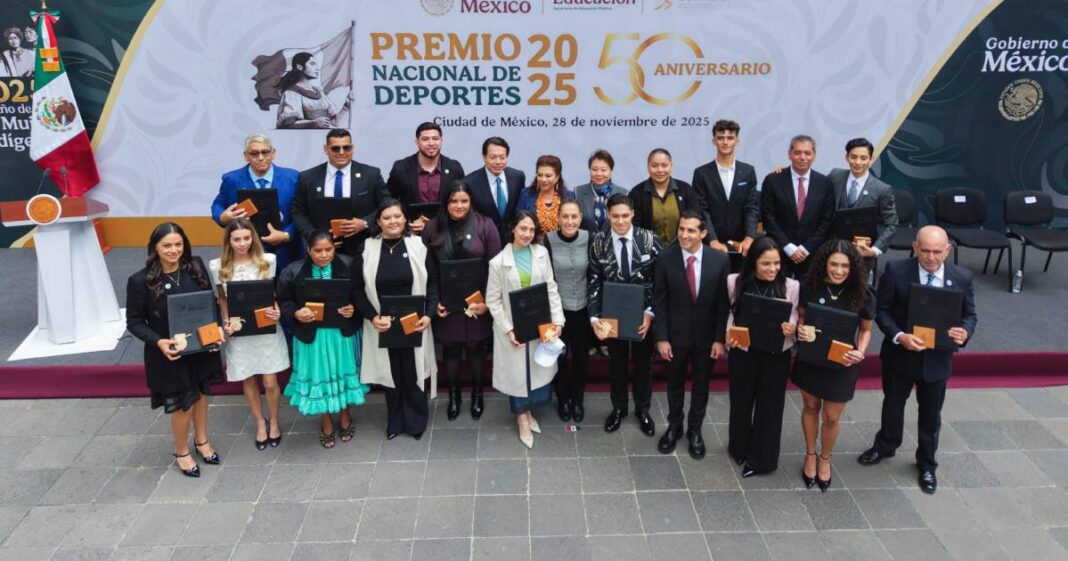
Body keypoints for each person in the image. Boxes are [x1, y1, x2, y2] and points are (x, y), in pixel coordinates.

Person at [858, 226, 977, 494]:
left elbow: (970, 315)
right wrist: (899, 336)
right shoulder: (896, 271)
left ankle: (926, 464)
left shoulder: (962, 277)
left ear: (948, 250)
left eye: (937, 252)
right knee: (892, 405)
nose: (932, 257)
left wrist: (965, 331)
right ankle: (885, 445)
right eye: (925, 251)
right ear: (915, 247)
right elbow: (882, 311)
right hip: (900, 356)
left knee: (931, 415)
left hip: (936, 361)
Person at [126, 222, 223, 477]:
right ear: (155, 247)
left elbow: (209, 303)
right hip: (170, 354)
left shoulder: (196, 266)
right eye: (166, 245)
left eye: (178, 244)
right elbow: (134, 322)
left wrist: (216, 332)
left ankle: (201, 441)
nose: (173, 250)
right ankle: (182, 451)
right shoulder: (140, 281)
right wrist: (159, 342)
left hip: (200, 347)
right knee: (183, 404)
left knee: (201, 394)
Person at [791, 240, 874, 491]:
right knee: (811, 406)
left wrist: (860, 352)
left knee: (830, 417)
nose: (838, 271)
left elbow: (866, 330)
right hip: (812, 359)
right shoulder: (810, 286)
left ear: (853, 268)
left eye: (845, 266)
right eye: (834, 265)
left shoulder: (862, 292)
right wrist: (800, 331)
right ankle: (810, 454)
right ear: (824, 264)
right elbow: (802, 318)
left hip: (842, 362)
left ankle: (825, 458)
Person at [277, 231, 369, 448]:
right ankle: (326, 422)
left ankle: (345, 416)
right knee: (320, 376)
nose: (323, 255)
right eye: (317, 250)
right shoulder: (293, 271)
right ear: (308, 250)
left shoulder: (349, 265)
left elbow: (363, 294)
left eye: (328, 249)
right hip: (313, 336)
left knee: (341, 375)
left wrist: (354, 309)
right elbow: (283, 300)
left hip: (341, 334)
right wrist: (297, 313)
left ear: (334, 248)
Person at [355, 199, 438, 440]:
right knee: (390, 373)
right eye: (387, 217)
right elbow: (357, 289)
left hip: (415, 322)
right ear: (378, 222)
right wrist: (372, 317)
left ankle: (416, 421)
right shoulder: (367, 248)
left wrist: (429, 314)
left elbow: (433, 282)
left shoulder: (419, 245)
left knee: (412, 372)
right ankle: (395, 421)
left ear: (405, 219)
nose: (393, 221)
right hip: (382, 324)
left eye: (397, 217)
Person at [653, 210, 730, 459]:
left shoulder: (719, 260)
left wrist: (720, 338)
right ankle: (675, 427)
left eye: (691, 230)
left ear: (703, 233)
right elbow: (660, 301)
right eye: (681, 229)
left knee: (701, 385)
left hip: (707, 338)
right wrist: (662, 338)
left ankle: (695, 430)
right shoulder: (665, 258)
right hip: (676, 337)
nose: (684, 235)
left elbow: (723, 304)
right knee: (674, 384)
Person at [486, 211, 566, 448]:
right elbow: (494, 300)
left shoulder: (541, 253)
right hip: (513, 327)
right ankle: (522, 417)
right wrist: (508, 329)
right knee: (517, 375)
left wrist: (558, 320)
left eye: (531, 230)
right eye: (523, 229)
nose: (527, 234)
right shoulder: (498, 262)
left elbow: (551, 288)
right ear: (513, 229)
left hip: (540, 324)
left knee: (536, 368)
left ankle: (529, 412)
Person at [208, 219, 290, 450]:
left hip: (265, 329)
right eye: (237, 239)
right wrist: (226, 322)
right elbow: (222, 299)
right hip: (240, 330)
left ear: (252, 238)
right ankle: (259, 423)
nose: (242, 243)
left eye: (246, 238)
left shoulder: (267, 261)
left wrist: (276, 309)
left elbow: (271, 294)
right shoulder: (218, 266)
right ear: (228, 241)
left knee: (270, 380)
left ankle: (274, 420)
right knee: (249, 378)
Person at [422, 181, 501, 420]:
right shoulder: (432, 228)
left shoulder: (485, 225)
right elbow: (427, 270)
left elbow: (495, 268)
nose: (459, 206)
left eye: (464, 201)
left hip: (478, 303)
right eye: (454, 201)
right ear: (446, 202)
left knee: (476, 348)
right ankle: (454, 394)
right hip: (446, 304)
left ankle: (477, 393)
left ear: (471, 202)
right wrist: (433, 303)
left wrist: (488, 302)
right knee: (450, 349)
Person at [588, 194, 663, 435]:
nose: (620, 221)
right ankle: (619, 408)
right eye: (615, 216)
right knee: (616, 364)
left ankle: (643, 409)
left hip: (643, 315)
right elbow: (594, 281)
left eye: (624, 216)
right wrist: (594, 317)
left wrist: (649, 314)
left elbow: (659, 280)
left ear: (632, 214)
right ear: (608, 216)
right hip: (612, 315)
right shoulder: (599, 241)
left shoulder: (649, 239)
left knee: (644, 365)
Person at [725, 237, 799, 477]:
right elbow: (731, 313)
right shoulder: (734, 281)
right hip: (744, 352)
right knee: (740, 402)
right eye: (766, 263)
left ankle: (762, 460)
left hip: (776, 355)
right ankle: (739, 448)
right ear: (753, 262)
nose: (772, 269)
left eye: (776, 263)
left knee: (770, 407)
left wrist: (792, 328)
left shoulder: (791, 286)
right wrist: (729, 335)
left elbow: (796, 316)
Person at [291, 128, 390, 258]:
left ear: (352, 148)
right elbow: (298, 212)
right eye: (335, 148)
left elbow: (387, 206)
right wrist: (316, 237)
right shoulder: (308, 177)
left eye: (346, 148)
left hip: (362, 247)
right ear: (326, 149)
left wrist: (365, 223)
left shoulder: (370, 174)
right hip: (321, 252)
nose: (342, 152)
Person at [211, 134, 302, 271]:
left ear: (273, 153)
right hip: (246, 254)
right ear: (246, 156)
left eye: (265, 152)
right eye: (254, 153)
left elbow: (302, 212)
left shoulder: (293, 178)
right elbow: (217, 205)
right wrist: (222, 217)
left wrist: (286, 235)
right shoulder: (232, 179)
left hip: (286, 252)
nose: (260, 157)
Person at [543, 199, 592, 422]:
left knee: (581, 358)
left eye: (574, 217)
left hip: (583, 310)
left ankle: (578, 399)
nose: (570, 221)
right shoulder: (549, 240)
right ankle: (563, 399)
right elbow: (546, 277)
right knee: (560, 359)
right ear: (558, 218)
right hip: (557, 312)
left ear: (580, 218)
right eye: (565, 217)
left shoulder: (588, 237)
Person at [761, 135, 835, 278]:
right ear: (789, 154)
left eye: (807, 153)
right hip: (779, 253)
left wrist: (806, 248)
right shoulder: (773, 180)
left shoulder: (824, 183)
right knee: (779, 297)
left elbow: (827, 221)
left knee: (807, 296)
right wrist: (789, 248)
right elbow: (768, 218)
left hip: (812, 255)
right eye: (797, 152)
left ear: (814, 156)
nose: (802, 157)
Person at [827, 138, 898, 279]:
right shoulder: (835, 176)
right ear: (846, 157)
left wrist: (875, 250)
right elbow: (813, 186)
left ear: (871, 159)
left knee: (858, 291)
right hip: (833, 247)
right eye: (853, 157)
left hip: (862, 252)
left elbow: (892, 223)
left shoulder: (882, 189)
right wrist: (784, 173)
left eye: (863, 158)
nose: (858, 162)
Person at [690, 120, 761, 257]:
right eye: (720, 138)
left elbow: (751, 207)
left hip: (742, 246)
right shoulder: (701, 173)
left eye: (730, 138)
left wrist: (750, 237)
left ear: (737, 141)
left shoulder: (748, 171)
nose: (725, 142)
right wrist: (713, 240)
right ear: (714, 141)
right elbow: (702, 210)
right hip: (711, 246)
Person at [386, 122, 466, 235]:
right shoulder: (401, 168)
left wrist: (434, 225)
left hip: (446, 234)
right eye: (425, 139)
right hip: (411, 234)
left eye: (435, 138)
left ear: (441, 141)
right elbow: (388, 202)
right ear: (416, 142)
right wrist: (406, 223)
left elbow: (463, 202)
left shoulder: (454, 168)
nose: (431, 143)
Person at [629, 148, 705, 246]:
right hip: (648, 252)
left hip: (682, 249)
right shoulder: (637, 193)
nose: (660, 170)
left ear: (671, 166)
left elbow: (696, 219)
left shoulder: (685, 190)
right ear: (648, 167)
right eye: (654, 166)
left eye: (664, 165)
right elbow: (635, 227)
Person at [462, 136, 525, 235]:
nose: (498, 162)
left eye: (502, 157)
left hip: (513, 238)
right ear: (484, 157)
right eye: (493, 157)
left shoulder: (517, 177)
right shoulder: (469, 182)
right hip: (484, 238)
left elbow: (521, 208)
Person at [276, 52, 350, 129]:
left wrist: (345, 107)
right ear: (299, 67)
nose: (317, 68)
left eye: (316, 64)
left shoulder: (318, 91)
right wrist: (313, 123)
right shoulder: (291, 93)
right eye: (312, 64)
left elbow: (334, 122)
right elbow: (289, 124)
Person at [515, 155, 575, 235]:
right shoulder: (526, 195)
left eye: (548, 176)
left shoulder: (569, 196)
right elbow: (518, 222)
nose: (543, 179)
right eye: (540, 175)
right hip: (531, 242)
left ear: (557, 177)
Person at [574, 150, 628, 232]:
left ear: (611, 171)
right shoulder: (578, 192)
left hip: (613, 243)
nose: (599, 174)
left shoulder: (624, 193)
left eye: (603, 170)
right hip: (586, 243)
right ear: (590, 170)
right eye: (595, 169)